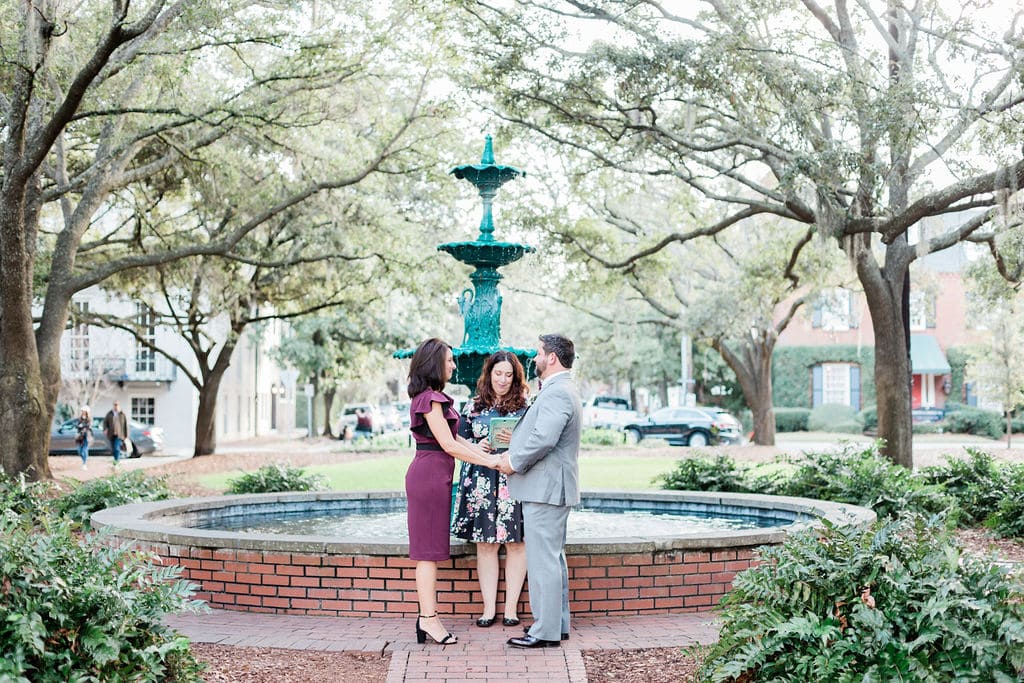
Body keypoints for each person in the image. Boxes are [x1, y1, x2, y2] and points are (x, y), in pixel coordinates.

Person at [405, 338, 501, 646]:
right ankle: (429, 620)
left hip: (435, 476)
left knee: (429, 553)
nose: (453, 365)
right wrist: (492, 462)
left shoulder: (433, 398)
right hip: (429, 478)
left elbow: (455, 442)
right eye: (449, 360)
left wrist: (484, 454)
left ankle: (427, 619)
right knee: (427, 555)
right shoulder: (429, 399)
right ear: (434, 363)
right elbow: (448, 445)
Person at [499, 334, 582, 649]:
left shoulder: (558, 392)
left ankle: (544, 631)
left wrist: (513, 462)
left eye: (538, 354)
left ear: (552, 358)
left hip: (546, 489)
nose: (534, 359)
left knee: (542, 562)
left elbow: (544, 439)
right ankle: (555, 626)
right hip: (550, 489)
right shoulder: (560, 390)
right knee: (552, 559)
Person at [451, 351, 530, 628]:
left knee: (517, 544)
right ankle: (488, 610)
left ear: (515, 377)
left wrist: (515, 442)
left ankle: (511, 610)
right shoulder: (472, 407)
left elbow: (537, 444)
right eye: (499, 373)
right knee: (486, 545)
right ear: (489, 374)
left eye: (509, 375)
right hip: (481, 481)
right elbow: (455, 439)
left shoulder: (525, 406)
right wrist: (477, 446)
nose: (503, 379)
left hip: (512, 480)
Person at [75, 406, 92, 470]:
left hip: (86, 436)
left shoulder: (89, 419)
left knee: (84, 450)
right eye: (82, 411)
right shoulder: (79, 419)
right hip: (79, 437)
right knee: (79, 451)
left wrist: (83, 426)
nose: (82, 412)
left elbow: (89, 426)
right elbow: (76, 425)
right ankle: (84, 461)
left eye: (84, 411)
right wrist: (78, 426)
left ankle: (84, 463)